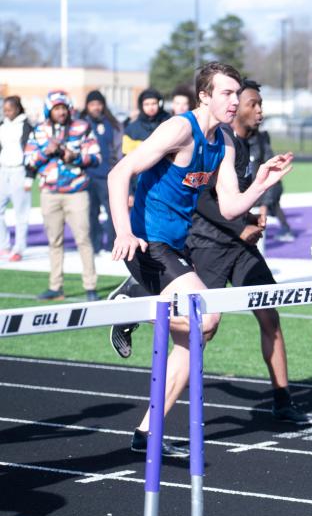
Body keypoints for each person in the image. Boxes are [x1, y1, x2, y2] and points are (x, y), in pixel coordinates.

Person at [108, 62, 293, 456]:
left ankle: (146, 434)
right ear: (205, 96)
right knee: (206, 315)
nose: (235, 101)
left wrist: (261, 182)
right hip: (146, 242)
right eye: (226, 93)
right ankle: (134, 307)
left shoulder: (224, 143)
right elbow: (119, 173)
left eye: (236, 93)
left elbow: (229, 208)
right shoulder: (179, 129)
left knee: (195, 339)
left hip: (177, 246)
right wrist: (124, 231)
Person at [24, 90, 101, 301]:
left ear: (69, 109)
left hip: (77, 192)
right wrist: (45, 151)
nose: (61, 112)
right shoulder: (39, 131)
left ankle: (90, 287)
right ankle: (55, 287)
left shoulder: (82, 127)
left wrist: (75, 157)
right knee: (54, 241)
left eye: (63, 108)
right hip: (49, 193)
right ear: (49, 110)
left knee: (83, 239)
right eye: (56, 108)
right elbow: (29, 161)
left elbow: (96, 157)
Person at [80, 90, 122, 253]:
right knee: (91, 212)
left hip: (108, 176)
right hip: (87, 175)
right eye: (92, 104)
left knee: (113, 212)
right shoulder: (81, 124)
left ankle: (112, 245)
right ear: (87, 106)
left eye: (98, 104)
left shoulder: (113, 124)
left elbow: (118, 150)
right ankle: (95, 245)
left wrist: (116, 169)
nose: (96, 107)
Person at [0, 96, 35, 261]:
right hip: (3, 171)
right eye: (4, 110)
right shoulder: (2, 126)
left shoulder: (26, 126)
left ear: (18, 109)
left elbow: (32, 153)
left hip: (19, 172)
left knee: (21, 212)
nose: (7, 113)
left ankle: (19, 248)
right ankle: (3, 245)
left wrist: (29, 177)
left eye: (10, 109)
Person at [248, 125, 295, 242]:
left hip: (269, 185)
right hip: (258, 186)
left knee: (273, 205)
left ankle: (285, 229)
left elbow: (270, 173)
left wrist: (264, 204)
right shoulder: (238, 142)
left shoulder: (261, 143)